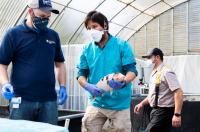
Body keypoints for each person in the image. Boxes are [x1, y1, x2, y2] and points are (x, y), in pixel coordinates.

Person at [0, 0, 67, 125]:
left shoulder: (53, 36)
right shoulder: (13, 34)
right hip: (21, 100)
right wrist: (5, 84)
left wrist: (63, 85)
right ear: (30, 11)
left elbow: (59, 63)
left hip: (49, 101)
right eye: (42, 16)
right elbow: (2, 64)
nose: (45, 20)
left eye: (48, 17)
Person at [77, 11, 138, 132]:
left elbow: (132, 71)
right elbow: (81, 74)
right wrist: (87, 85)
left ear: (104, 25)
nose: (92, 31)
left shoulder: (121, 45)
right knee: (87, 125)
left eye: (94, 26)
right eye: (89, 28)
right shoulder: (87, 49)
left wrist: (124, 81)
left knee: (120, 128)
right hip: (96, 102)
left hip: (119, 104)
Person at [134, 48, 183, 132]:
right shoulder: (154, 73)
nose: (148, 60)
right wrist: (141, 103)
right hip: (154, 111)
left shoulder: (166, 72)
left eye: (150, 57)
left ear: (157, 57)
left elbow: (178, 92)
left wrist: (177, 114)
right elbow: (152, 95)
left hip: (163, 112)